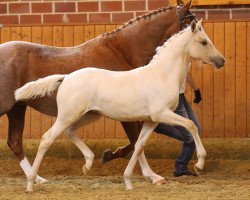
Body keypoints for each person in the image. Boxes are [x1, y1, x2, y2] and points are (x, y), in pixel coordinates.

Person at [154, 70, 202, 177]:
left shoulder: (187, 55)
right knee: (190, 136)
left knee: (197, 130)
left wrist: (196, 89)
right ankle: (158, 125)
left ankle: (181, 166)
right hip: (172, 96)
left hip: (181, 96)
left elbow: (185, 70)